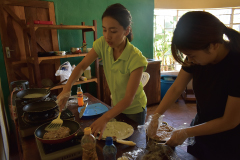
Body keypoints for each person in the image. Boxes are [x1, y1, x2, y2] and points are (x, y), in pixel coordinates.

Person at [147, 11, 240, 160]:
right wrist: (156, 116)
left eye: (193, 56)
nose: (190, 60)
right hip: (201, 128)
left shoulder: (236, 65)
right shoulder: (196, 55)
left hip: (229, 141)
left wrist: (186, 132)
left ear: (213, 46)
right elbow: (177, 88)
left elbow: (230, 120)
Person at [57, 3, 148, 140]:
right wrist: (66, 89)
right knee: (116, 142)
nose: (107, 36)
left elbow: (129, 99)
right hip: (117, 107)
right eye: (104, 30)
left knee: (131, 147)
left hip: (134, 110)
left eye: (113, 31)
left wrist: (105, 117)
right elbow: (82, 66)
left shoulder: (136, 58)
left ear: (126, 31)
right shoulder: (102, 44)